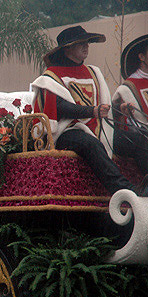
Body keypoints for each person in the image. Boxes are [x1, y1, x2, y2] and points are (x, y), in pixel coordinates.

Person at [31, 25, 141, 195]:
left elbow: (102, 105)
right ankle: (125, 191)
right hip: (66, 131)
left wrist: (120, 108)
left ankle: (144, 186)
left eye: (87, 43)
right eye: (81, 43)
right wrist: (93, 111)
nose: (86, 46)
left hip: (98, 128)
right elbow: (59, 108)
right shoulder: (50, 77)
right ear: (67, 48)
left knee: (137, 140)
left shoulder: (93, 72)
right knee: (91, 144)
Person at [112, 34, 148, 175]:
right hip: (139, 138)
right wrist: (122, 110)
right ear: (141, 57)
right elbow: (116, 120)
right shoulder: (126, 88)